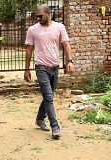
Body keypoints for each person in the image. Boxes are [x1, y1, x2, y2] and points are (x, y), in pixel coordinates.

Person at [24, 4, 75, 139]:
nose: (38, 18)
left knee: (49, 95)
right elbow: (29, 49)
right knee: (48, 97)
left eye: (41, 16)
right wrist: (27, 69)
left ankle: (40, 118)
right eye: (37, 16)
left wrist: (70, 61)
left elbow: (66, 44)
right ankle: (55, 126)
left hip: (54, 67)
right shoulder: (33, 29)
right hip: (41, 67)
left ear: (48, 13)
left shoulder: (59, 27)